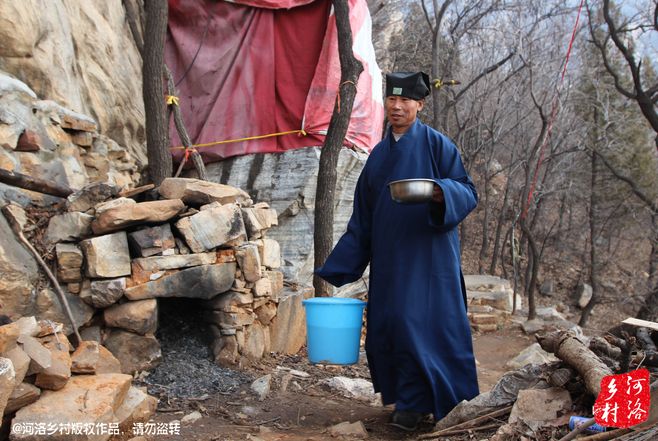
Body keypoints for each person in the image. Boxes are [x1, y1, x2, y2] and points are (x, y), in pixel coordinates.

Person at [315, 72, 479, 431]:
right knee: (391, 327)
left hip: (431, 258)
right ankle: (409, 403)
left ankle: (451, 401)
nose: (397, 106)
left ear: (420, 104)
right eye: (392, 99)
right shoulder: (378, 155)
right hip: (390, 261)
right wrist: (340, 265)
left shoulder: (438, 146)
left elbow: (468, 191)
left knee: (429, 326)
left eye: (406, 101)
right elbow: (363, 215)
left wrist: (440, 192)